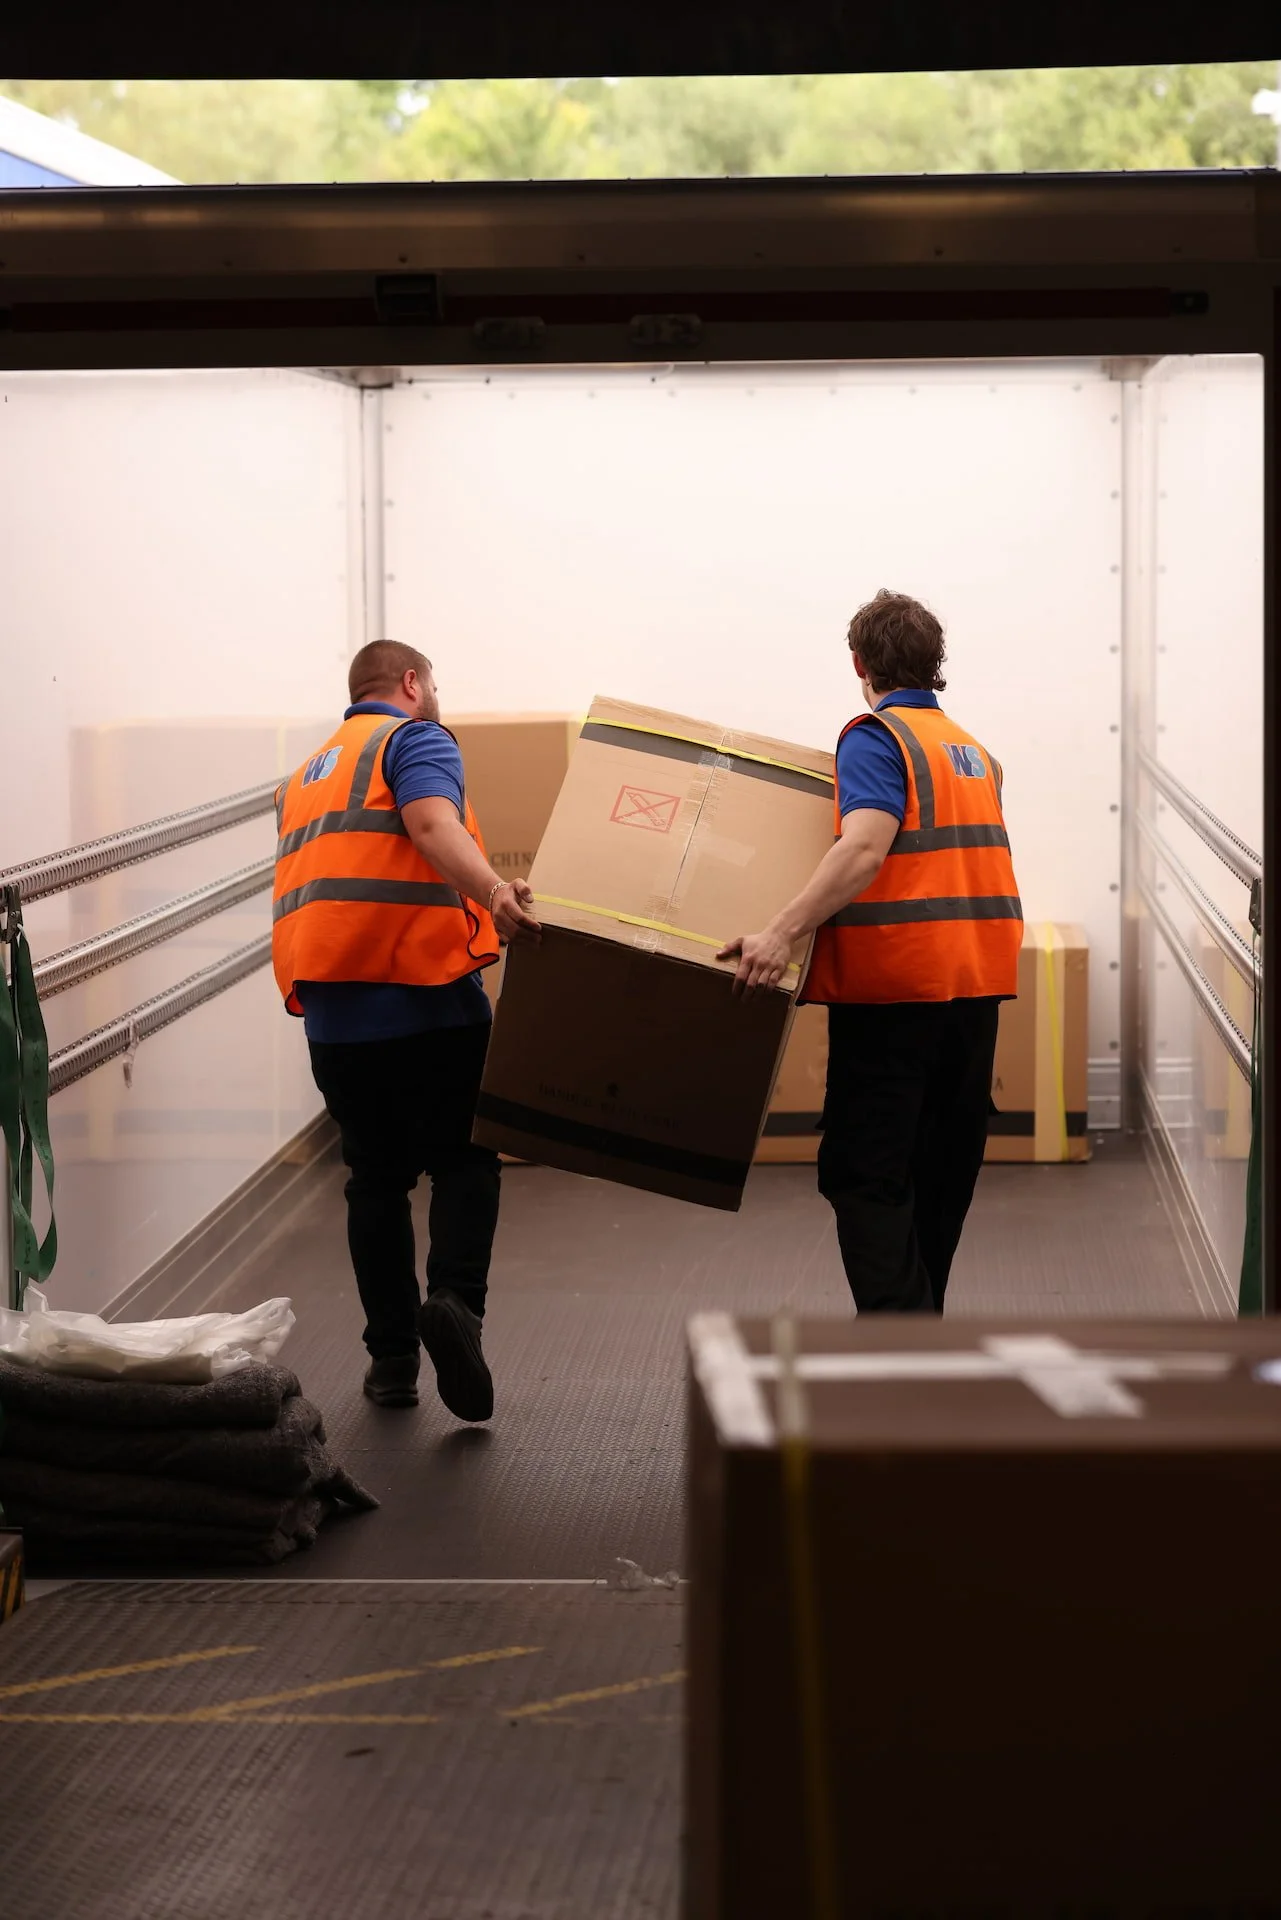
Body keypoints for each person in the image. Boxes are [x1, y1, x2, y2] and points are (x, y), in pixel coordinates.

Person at [718, 591, 1022, 1314]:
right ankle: (918, 1347)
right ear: (934, 664)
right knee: (939, 1175)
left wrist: (779, 932)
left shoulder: (874, 739)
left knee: (863, 1174)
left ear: (859, 663)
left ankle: (900, 1350)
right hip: (973, 992)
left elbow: (862, 847)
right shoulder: (973, 752)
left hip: (895, 996)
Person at [272, 640, 540, 1419]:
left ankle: (391, 1362)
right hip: (427, 1001)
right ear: (412, 683)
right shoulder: (413, 739)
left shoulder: (306, 776)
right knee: (464, 1161)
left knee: (374, 1181)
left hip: (334, 1022)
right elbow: (429, 825)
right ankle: (455, 1304)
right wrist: (494, 891)